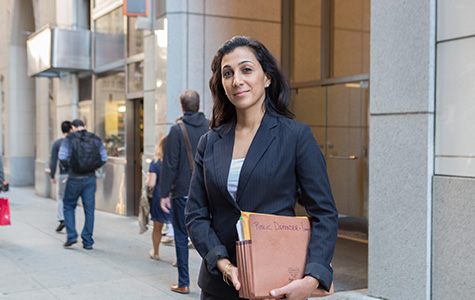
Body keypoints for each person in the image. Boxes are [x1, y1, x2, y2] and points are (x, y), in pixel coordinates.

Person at [184, 36, 338, 300]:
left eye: (246, 70)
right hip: (219, 286)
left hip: (276, 286)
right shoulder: (209, 142)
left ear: (266, 78)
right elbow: (196, 214)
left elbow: (324, 214)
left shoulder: (295, 136)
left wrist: (311, 279)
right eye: (227, 73)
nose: (237, 81)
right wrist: (225, 265)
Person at [160, 89, 210, 294]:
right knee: (210, 236)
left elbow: (169, 164)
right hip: (207, 191)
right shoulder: (211, 126)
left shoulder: (176, 129)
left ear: (182, 107)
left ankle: (183, 282)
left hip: (182, 191)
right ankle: (212, 281)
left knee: (181, 235)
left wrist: (164, 193)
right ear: (198, 106)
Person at [58, 119, 107, 250]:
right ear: (85, 126)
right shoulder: (95, 138)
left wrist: (70, 169)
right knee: (89, 209)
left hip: (74, 178)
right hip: (90, 178)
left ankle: (72, 235)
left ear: (72, 127)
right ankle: (88, 241)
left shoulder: (69, 139)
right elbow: (104, 158)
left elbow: (62, 156)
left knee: (68, 206)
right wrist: (93, 168)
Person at [147, 135, 171, 260]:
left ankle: (156, 252)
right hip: (174, 195)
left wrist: (147, 179)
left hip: (159, 196)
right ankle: (179, 258)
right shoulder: (177, 161)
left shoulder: (155, 162)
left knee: (157, 227)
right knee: (178, 229)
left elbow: (151, 183)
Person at [50, 121, 72, 232]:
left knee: (61, 197)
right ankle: (70, 220)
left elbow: (53, 160)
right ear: (71, 129)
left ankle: (62, 218)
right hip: (74, 174)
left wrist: (52, 175)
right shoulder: (74, 142)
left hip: (63, 174)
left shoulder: (57, 143)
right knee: (72, 198)